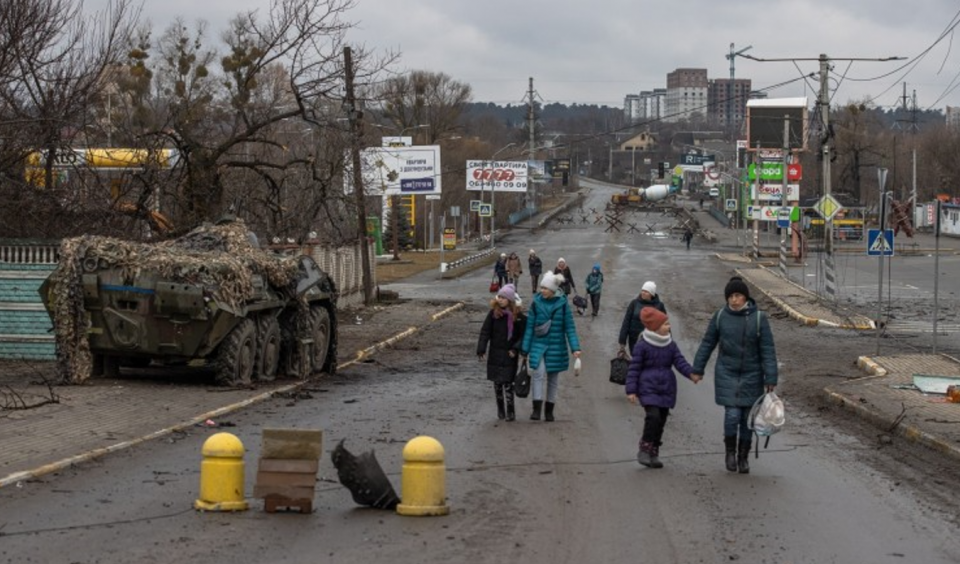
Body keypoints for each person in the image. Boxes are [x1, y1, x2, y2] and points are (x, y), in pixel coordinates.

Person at [691, 276, 779, 475]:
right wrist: (698, 369)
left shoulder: (759, 319)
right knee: (732, 415)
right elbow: (707, 343)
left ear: (745, 297)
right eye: (730, 296)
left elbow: (767, 349)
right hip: (727, 372)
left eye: (738, 295)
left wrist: (770, 378)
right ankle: (730, 453)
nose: (734, 300)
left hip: (752, 374)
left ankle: (743, 457)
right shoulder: (720, 316)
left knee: (747, 419)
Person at [626, 307, 700, 468]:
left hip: (666, 388)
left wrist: (692, 374)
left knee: (661, 420)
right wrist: (631, 390)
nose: (669, 327)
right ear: (655, 327)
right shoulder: (642, 345)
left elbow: (680, 362)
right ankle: (644, 449)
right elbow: (634, 369)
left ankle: (654, 452)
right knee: (653, 417)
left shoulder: (670, 345)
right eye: (666, 324)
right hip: (648, 387)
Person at [520, 272, 581, 422]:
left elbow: (570, 328)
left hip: (556, 346)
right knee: (538, 373)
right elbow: (529, 328)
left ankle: (549, 411)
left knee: (553, 378)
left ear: (553, 289)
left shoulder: (562, 305)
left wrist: (575, 348)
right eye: (541, 287)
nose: (542, 290)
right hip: (538, 344)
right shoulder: (536, 304)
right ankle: (536, 409)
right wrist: (525, 349)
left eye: (545, 288)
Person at [477, 284, 527, 422]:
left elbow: (524, 335)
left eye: (504, 297)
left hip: (509, 354)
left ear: (510, 300)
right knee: (497, 382)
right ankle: (500, 409)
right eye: (499, 296)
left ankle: (511, 410)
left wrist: (516, 348)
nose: (500, 299)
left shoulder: (519, 317)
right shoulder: (493, 314)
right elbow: (485, 331)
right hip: (495, 353)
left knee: (508, 382)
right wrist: (481, 348)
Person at [618, 281, 667, 354]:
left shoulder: (659, 306)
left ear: (651, 294)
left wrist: (668, 343)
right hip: (634, 340)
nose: (643, 293)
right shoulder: (634, 303)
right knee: (636, 359)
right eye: (642, 290)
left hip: (652, 340)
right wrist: (622, 341)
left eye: (646, 291)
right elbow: (626, 321)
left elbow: (665, 324)